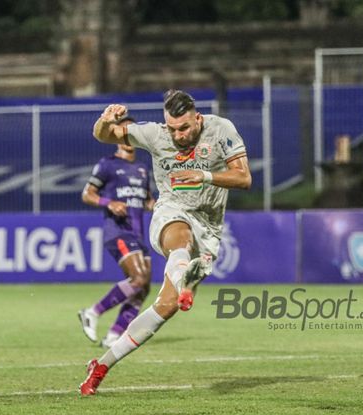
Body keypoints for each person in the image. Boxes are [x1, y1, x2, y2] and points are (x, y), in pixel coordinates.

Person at [79, 89, 252, 395]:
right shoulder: (154, 135)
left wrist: (205, 176)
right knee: (180, 241)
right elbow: (104, 136)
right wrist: (104, 121)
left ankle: (102, 364)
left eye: (183, 128)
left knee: (166, 307)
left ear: (197, 119)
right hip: (172, 212)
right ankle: (186, 276)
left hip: (209, 226)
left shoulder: (220, 129)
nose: (177, 135)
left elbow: (244, 178)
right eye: (171, 128)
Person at [77, 116, 155, 348]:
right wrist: (108, 203)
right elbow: (87, 194)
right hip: (118, 231)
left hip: (138, 233)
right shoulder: (107, 164)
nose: (126, 135)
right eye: (122, 131)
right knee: (138, 279)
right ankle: (92, 312)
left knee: (144, 287)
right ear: (116, 137)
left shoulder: (142, 169)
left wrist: (156, 205)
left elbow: (147, 200)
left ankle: (113, 336)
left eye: (130, 131)